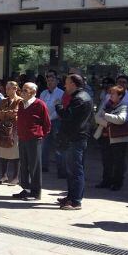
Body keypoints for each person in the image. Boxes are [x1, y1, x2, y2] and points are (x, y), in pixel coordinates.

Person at [55, 74, 94, 210]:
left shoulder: (80, 98)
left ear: (73, 84)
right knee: (71, 170)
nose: (65, 86)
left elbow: (67, 116)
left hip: (76, 138)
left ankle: (76, 201)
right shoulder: (81, 97)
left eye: (66, 83)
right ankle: (71, 197)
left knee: (76, 170)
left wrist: (58, 106)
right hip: (75, 137)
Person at [14, 82, 51, 201]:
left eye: (26, 90)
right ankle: (26, 189)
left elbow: (47, 124)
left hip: (34, 139)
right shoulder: (21, 104)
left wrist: (39, 135)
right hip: (22, 138)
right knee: (24, 165)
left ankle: (35, 193)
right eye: (22, 89)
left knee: (34, 166)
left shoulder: (40, 104)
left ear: (33, 92)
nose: (22, 92)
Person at [94, 85, 128, 191]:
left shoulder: (124, 106)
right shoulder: (107, 104)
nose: (110, 95)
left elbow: (121, 119)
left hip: (118, 139)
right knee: (106, 161)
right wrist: (109, 123)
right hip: (105, 137)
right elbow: (96, 118)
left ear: (120, 95)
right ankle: (106, 181)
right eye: (110, 93)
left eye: (113, 93)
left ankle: (117, 183)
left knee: (118, 162)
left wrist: (105, 115)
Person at [0, 81, 22, 185]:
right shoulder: (3, 100)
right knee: (2, 151)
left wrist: (4, 113)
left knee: (15, 153)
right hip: (3, 129)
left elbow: (16, 114)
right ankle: (3, 175)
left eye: (9, 88)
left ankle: (16, 177)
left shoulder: (20, 101)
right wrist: (7, 113)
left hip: (14, 130)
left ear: (15, 89)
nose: (6, 90)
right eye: (6, 88)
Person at [39, 70, 64, 176]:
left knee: (58, 145)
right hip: (44, 122)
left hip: (56, 121)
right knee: (44, 145)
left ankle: (61, 169)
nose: (50, 82)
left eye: (52, 80)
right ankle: (44, 166)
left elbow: (59, 109)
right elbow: (39, 107)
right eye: (48, 81)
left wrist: (48, 118)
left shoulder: (61, 93)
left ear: (57, 82)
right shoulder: (43, 93)